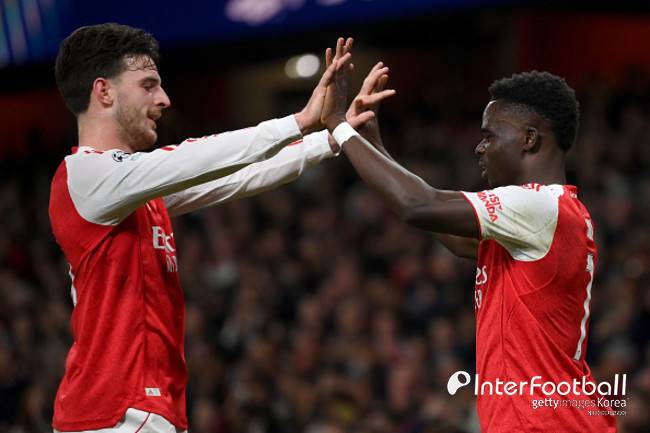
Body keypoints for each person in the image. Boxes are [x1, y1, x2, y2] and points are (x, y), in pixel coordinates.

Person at [48, 25, 373, 433]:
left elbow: (235, 177)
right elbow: (195, 158)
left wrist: (331, 139)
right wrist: (299, 121)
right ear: (104, 92)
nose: (164, 99)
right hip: (115, 414)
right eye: (148, 85)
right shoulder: (84, 175)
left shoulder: (132, 191)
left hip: (138, 411)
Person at [322, 49, 617, 432]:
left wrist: (337, 124)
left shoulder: (537, 206)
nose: (479, 147)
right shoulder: (546, 215)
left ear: (529, 139)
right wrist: (372, 145)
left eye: (489, 135)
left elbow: (418, 204)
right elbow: (446, 231)